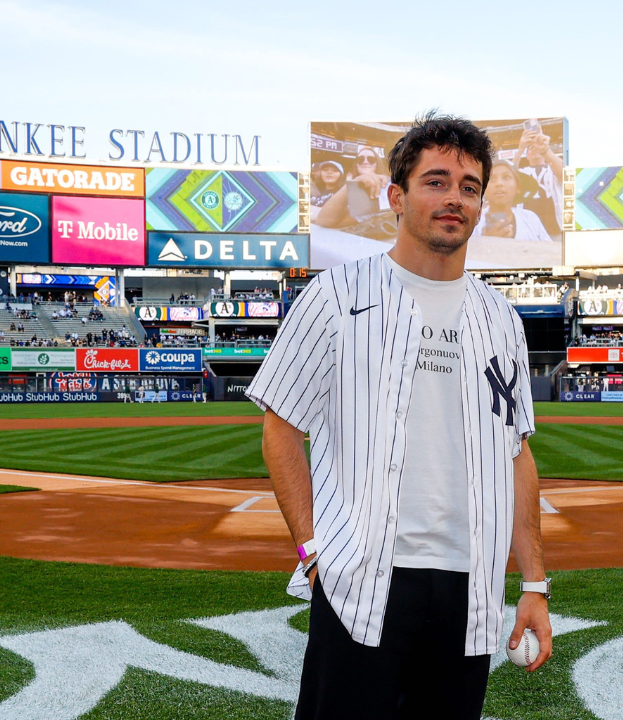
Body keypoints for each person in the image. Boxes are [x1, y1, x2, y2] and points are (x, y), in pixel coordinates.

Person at [249, 113, 551, 720]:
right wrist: (313, 552)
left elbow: (516, 453)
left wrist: (535, 584)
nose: (454, 198)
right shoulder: (336, 294)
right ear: (396, 195)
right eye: (435, 181)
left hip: (470, 584)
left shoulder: (502, 320)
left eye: (468, 186)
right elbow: (281, 430)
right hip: (361, 579)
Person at [471, 160, 553, 242]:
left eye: (506, 177)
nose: (499, 183)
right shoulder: (473, 224)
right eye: (492, 179)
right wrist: (485, 243)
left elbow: (549, 250)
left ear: (518, 187)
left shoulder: (530, 219)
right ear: (484, 189)